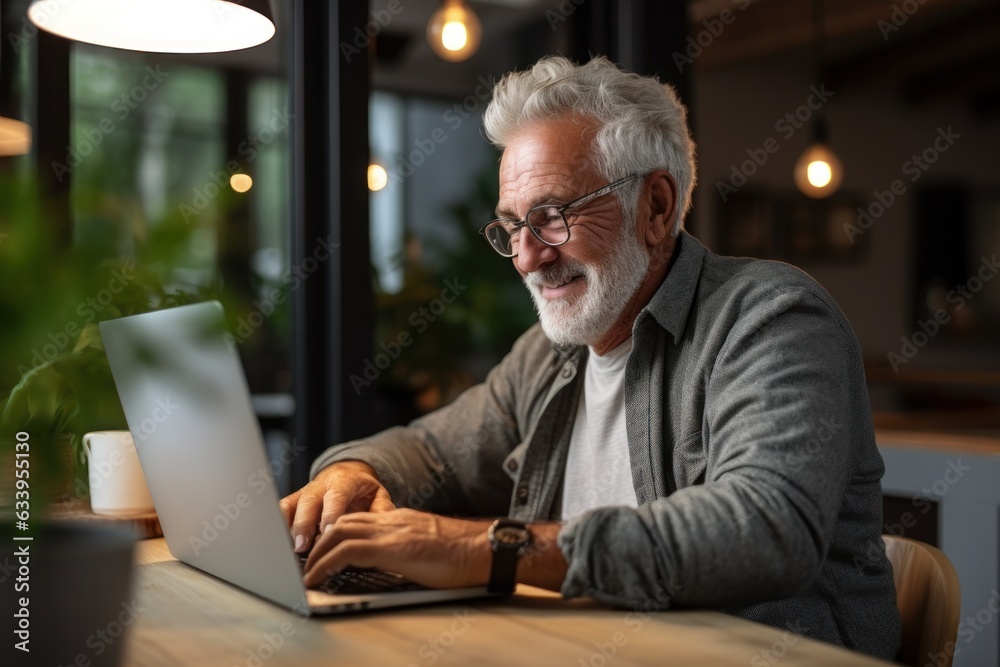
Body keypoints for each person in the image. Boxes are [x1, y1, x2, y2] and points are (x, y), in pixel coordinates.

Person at [280, 55, 900, 660]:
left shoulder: (769, 316)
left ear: (655, 207)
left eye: (551, 217)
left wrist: (486, 548)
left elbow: (767, 531)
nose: (526, 256)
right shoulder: (547, 355)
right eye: (512, 226)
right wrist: (353, 472)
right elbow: (433, 453)